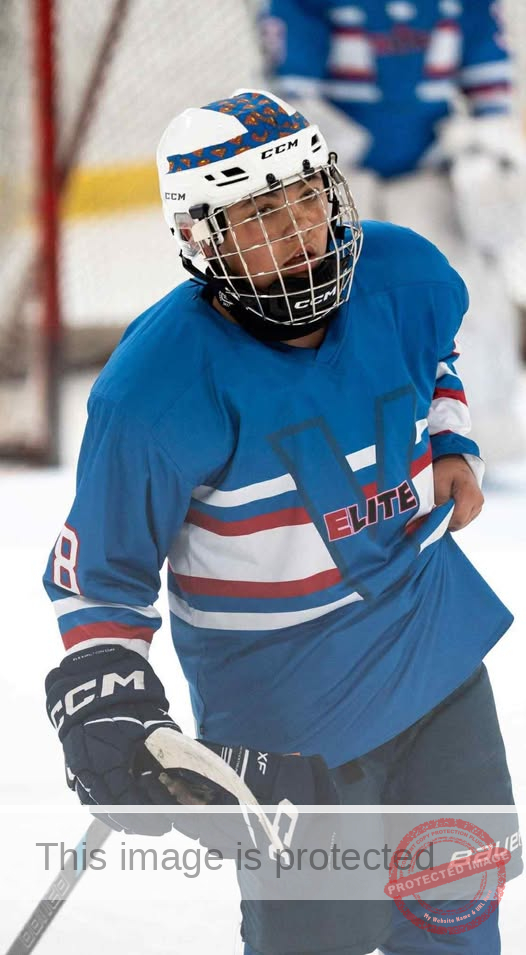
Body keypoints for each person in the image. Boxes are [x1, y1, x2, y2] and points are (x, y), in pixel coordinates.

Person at [43, 89, 522, 955]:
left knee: (457, 913)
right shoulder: (152, 389)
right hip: (285, 721)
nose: (299, 226)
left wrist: (450, 436)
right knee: (320, 938)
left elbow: (434, 357)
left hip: (433, 657)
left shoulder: (404, 275)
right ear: (201, 236)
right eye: (261, 212)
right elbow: (101, 573)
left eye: (308, 194)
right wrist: (107, 696)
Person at [259, 0, 526, 469]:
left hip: (431, 172)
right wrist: (326, 167)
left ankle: (483, 434)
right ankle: (343, 442)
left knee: (466, 299)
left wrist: (487, 151)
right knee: (336, 307)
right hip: (340, 179)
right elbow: (294, 99)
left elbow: (489, 81)